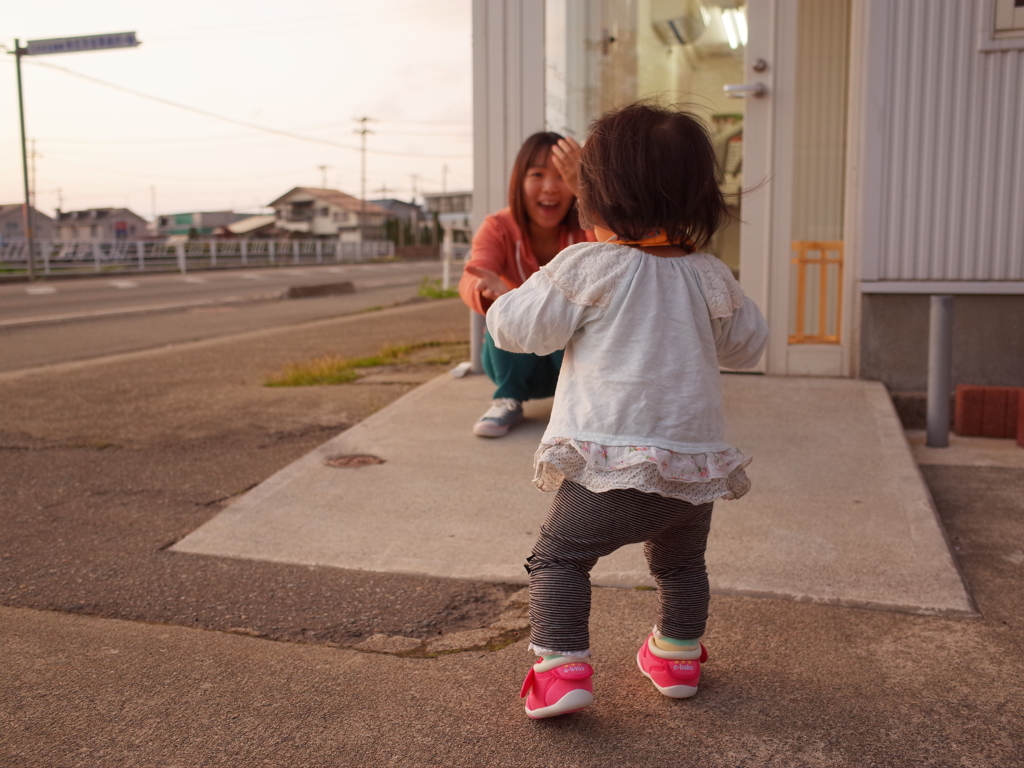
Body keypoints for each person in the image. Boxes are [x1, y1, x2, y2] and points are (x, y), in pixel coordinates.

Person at [486, 103, 769, 719]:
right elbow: (748, 345)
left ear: (596, 198)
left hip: (611, 467)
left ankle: (561, 672)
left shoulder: (590, 266)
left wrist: (510, 292)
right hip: (694, 472)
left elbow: (513, 328)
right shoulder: (708, 274)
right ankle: (676, 656)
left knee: (558, 559)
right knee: (680, 562)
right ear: (698, 200)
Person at [460, 132, 594, 438]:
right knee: (505, 310)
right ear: (519, 182)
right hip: (516, 365)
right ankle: (507, 398)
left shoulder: (589, 224)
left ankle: (583, 407)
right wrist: (485, 289)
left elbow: (614, 252)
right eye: (537, 174)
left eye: (563, 175)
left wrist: (588, 193)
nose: (550, 187)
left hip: (573, 362)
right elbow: (472, 275)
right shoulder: (498, 226)